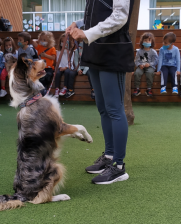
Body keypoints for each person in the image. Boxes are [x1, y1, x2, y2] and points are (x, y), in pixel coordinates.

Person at [67, 0, 134, 184]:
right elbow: (100, 14)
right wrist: (79, 25)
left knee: (114, 109)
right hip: (95, 51)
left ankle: (119, 167)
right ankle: (109, 156)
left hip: (113, 52)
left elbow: (120, 17)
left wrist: (86, 33)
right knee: (103, 108)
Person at [133, 32, 158, 97]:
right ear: (142, 41)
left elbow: (155, 61)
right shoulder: (139, 51)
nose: (147, 42)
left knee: (150, 73)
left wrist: (149, 64)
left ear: (151, 42)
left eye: (149, 40)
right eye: (145, 40)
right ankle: (137, 89)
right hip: (141, 66)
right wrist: (139, 65)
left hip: (150, 67)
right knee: (137, 73)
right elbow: (136, 60)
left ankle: (149, 89)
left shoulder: (153, 51)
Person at [54, 34, 76, 98]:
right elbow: (58, 60)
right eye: (62, 41)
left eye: (65, 41)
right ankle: (57, 89)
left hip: (68, 67)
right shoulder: (59, 51)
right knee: (57, 73)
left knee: (67, 72)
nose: (63, 43)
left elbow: (71, 61)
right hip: (60, 67)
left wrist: (66, 67)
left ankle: (65, 87)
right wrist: (60, 67)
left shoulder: (71, 51)